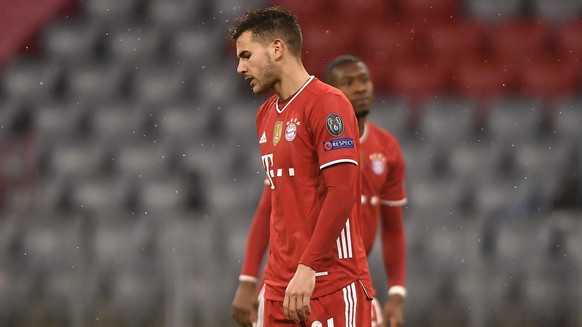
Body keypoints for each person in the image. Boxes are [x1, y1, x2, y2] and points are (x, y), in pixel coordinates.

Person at [231, 55, 408, 327]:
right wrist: (248, 278)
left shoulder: (386, 148)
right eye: (349, 83)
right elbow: (268, 210)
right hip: (291, 278)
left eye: (364, 81)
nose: (360, 89)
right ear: (333, 90)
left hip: (342, 280)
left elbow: (393, 228)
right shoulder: (306, 139)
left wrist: (396, 293)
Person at [228, 7, 373, 327]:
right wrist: (250, 279)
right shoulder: (265, 115)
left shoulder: (327, 103)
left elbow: (343, 192)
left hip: (332, 285)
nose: (240, 68)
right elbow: (272, 201)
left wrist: (307, 268)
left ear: (277, 48)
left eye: (247, 55)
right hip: (280, 291)